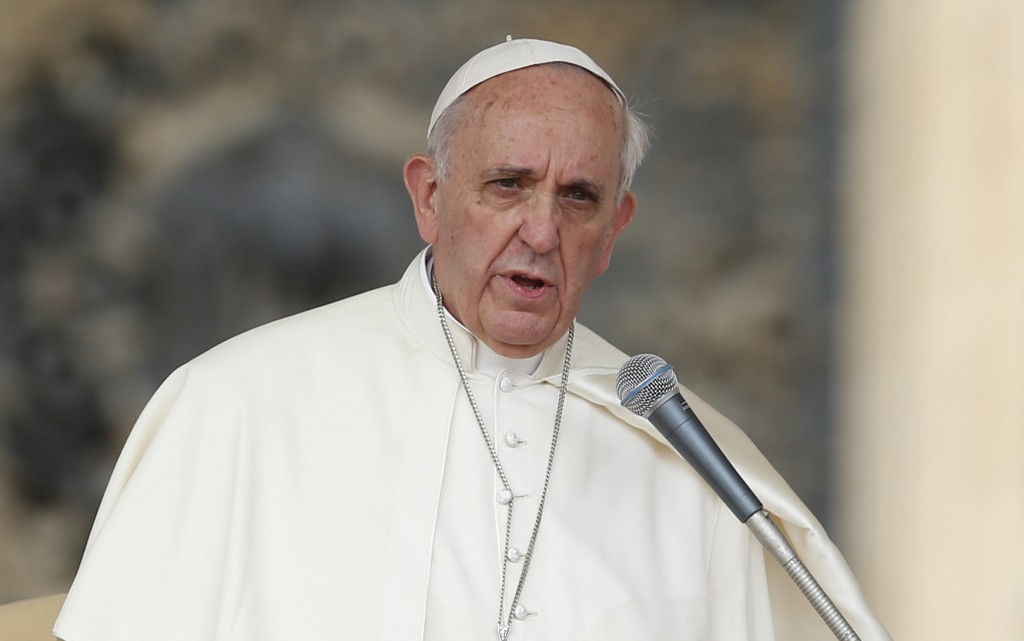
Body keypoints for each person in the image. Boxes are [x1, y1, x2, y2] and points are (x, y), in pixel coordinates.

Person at [53, 38, 890, 641]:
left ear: (616, 228)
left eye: (579, 198)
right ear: (429, 197)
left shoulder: (696, 465)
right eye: (508, 184)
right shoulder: (234, 402)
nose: (539, 230)